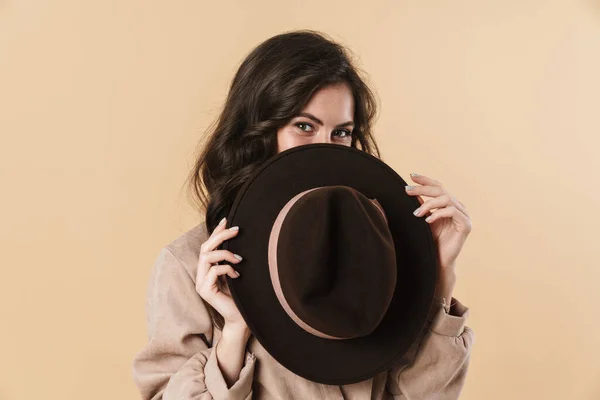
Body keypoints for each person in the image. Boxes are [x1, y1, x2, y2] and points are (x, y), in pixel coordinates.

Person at [132, 29, 475, 400]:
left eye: (341, 132)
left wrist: (437, 277)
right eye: (304, 127)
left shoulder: (377, 248)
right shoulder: (191, 264)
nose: (326, 150)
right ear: (260, 130)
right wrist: (235, 331)